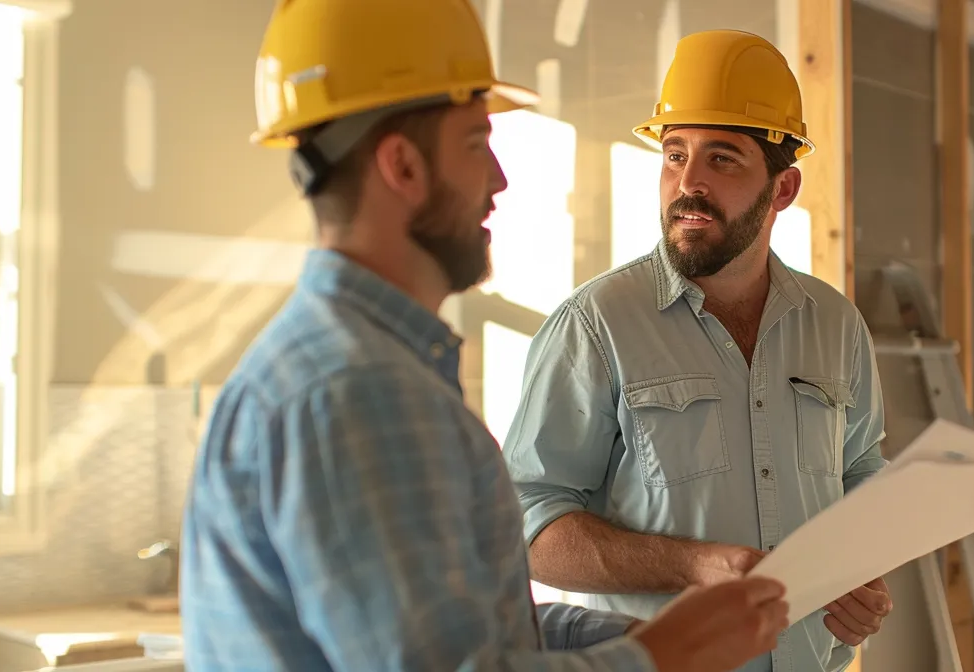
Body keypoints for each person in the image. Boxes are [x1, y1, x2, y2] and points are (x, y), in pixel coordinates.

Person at [178, 3, 790, 670]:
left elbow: (461, 631)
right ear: (403, 167)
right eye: (476, 143)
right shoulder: (360, 392)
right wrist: (665, 657)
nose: (498, 179)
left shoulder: (354, 369)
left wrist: (625, 638)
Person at [501, 29, 891, 672]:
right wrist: (692, 565)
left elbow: (861, 472)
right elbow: (529, 526)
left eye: (723, 159)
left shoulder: (836, 324)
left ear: (783, 190)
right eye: (674, 155)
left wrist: (861, 574)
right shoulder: (595, 325)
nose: (688, 183)